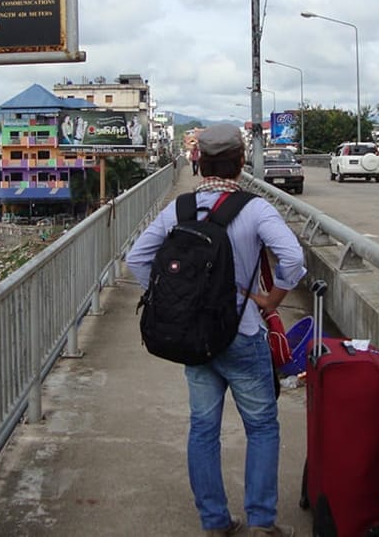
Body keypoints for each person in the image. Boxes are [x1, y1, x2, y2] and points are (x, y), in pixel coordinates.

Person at [126, 124, 306, 537]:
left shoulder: (180, 210)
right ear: (241, 163)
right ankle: (261, 523)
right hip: (242, 334)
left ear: (200, 162)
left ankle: (215, 523)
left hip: (195, 339)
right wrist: (272, 300)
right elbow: (293, 260)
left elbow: (138, 259)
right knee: (261, 426)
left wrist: (173, 302)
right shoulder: (255, 209)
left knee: (203, 429)